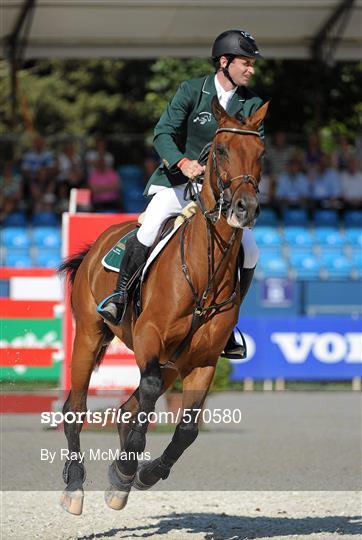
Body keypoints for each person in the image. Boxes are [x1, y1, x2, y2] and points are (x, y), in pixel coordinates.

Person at [98, 29, 265, 360]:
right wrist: (183, 162)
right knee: (149, 227)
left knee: (252, 250)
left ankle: (228, 323)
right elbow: (163, 133)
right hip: (178, 183)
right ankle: (118, 298)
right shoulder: (192, 90)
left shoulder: (253, 103)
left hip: (221, 195)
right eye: (246, 63)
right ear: (224, 61)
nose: (251, 70)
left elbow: (252, 147)